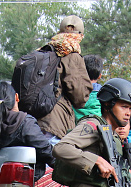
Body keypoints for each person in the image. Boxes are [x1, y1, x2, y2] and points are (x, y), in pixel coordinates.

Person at [37, 15, 92, 143]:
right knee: (56, 162)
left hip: (32, 123)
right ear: (80, 35)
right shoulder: (72, 56)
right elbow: (80, 97)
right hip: (54, 125)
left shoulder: (42, 52)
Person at [74, 54, 103, 121]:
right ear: (99, 76)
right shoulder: (103, 94)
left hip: (75, 129)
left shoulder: (73, 91)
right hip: (96, 128)